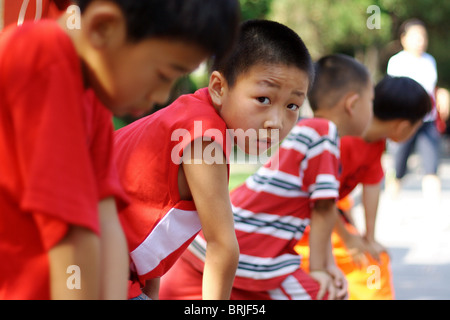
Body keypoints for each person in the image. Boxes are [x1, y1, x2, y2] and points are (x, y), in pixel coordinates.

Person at [0, 0, 240, 300]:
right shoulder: (43, 61)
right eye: (164, 75)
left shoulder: (92, 96)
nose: (161, 96)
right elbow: (71, 237)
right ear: (104, 27)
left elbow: (106, 224)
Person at [114, 19, 314, 300]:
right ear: (219, 87)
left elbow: (150, 232)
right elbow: (222, 245)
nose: (276, 122)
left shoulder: (188, 116)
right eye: (263, 99)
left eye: (292, 105)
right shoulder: (203, 134)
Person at [160, 54, 373, 300]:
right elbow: (324, 208)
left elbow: (323, 209)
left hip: (206, 245)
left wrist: (328, 265)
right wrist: (319, 269)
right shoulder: (324, 132)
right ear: (353, 103)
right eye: (372, 100)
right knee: (328, 295)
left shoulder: (306, 129)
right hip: (253, 253)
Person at [295, 76, 432, 300]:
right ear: (404, 125)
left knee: (373, 258)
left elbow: (371, 185)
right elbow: (320, 199)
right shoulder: (345, 139)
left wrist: (369, 236)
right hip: (303, 226)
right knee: (366, 269)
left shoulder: (376, 142)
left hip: (323, 219)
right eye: (417, 127)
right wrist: (350, 240)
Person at [386, 18, 441, 200]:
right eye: (416, 36)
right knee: (397, 170)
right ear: (403, 38)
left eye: (423, 36)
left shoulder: (429, 61)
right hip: (404, 122)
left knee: (431, 169)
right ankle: (390, 208)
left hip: (427, 122)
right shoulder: (396, 62)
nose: (420, 41)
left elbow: (432, 90)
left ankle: (435, 216)